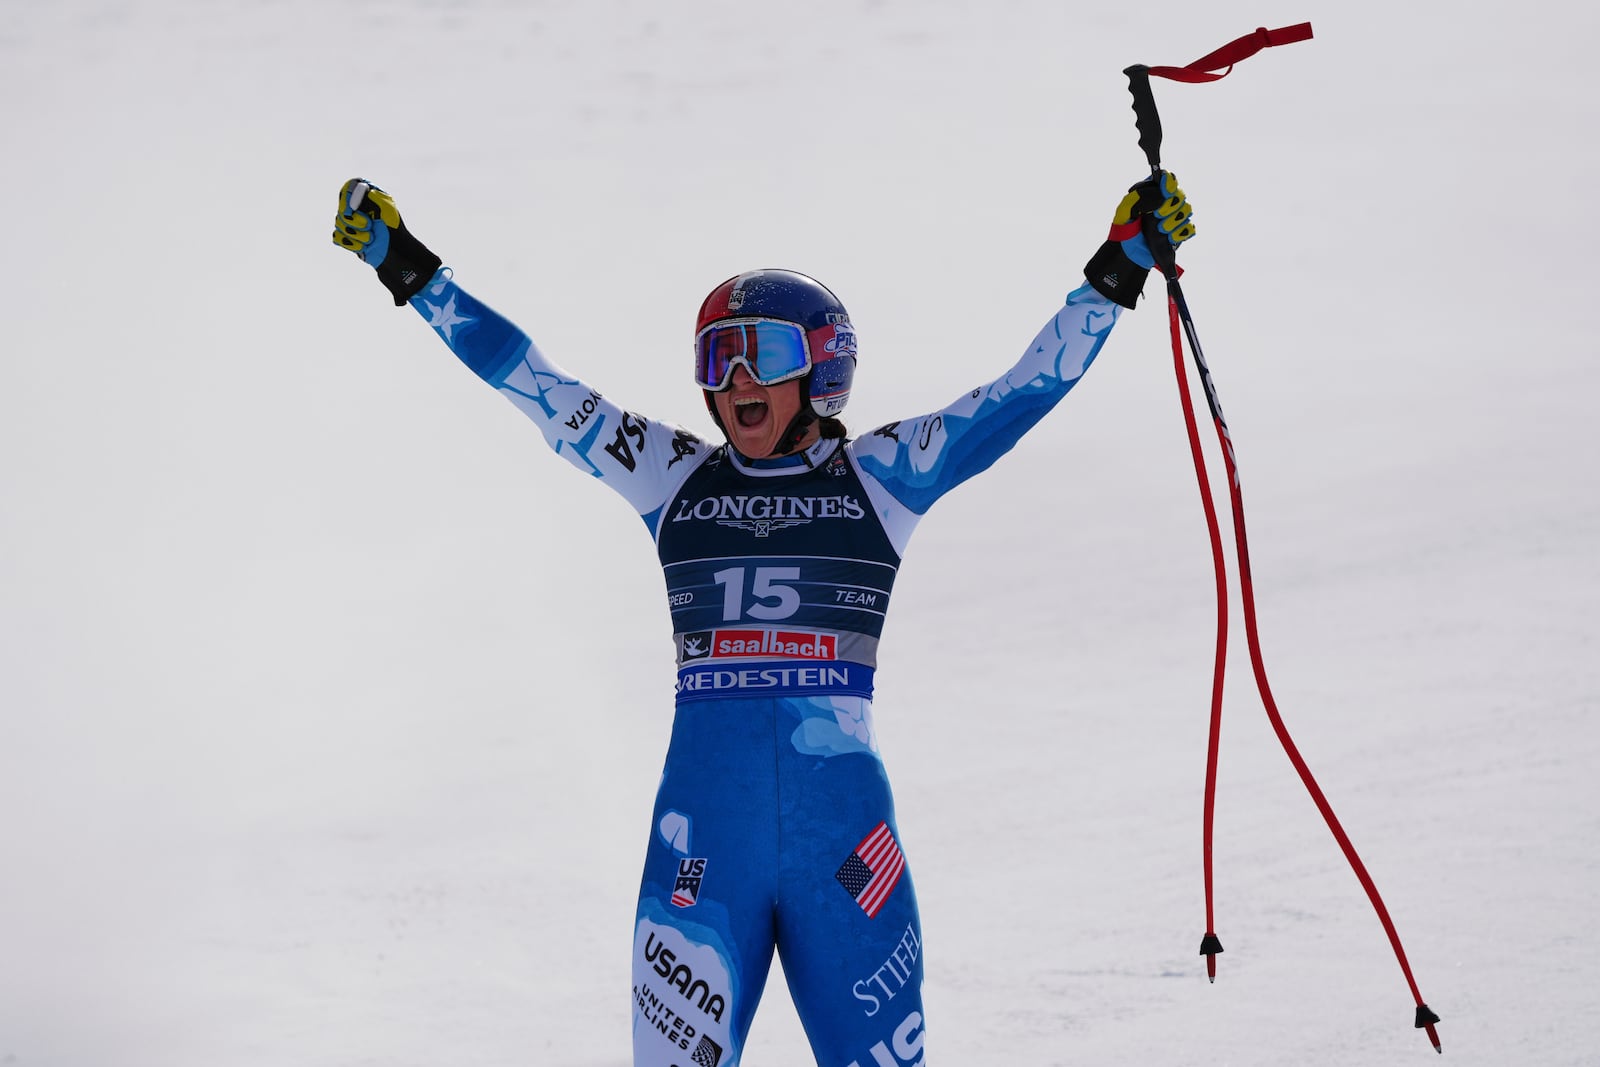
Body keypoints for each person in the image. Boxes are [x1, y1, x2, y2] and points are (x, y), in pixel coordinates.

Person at [331, 172, 1194, 1067]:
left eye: (762, 355)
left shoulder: (882, 478)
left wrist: (1117, 268)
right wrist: (409, 267)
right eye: (718, 359)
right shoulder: (672, 477)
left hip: (846, 853)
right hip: (705, 848)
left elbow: (1018, 394)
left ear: (821, 367)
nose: (737, 378)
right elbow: (536, 382)